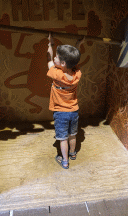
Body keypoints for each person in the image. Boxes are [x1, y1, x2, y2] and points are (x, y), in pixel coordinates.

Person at [47, 33, 85, 169]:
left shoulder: (56, 74)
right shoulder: (77, 74)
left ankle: (64, 160)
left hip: (60, 113)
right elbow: (74, 60)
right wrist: (78, 45)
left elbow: (48, 58)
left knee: (62, 138)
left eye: (57, 57)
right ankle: (73, 153)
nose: (55, 58)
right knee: (72, 135)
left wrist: (50, 44)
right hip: (74, 111)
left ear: (62, 63)